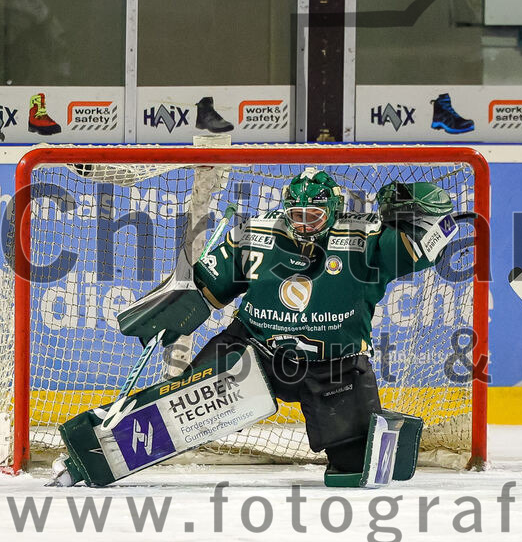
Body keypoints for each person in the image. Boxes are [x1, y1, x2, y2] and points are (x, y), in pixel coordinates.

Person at [56, 168, 457, 487]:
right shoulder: (255, 235)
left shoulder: (366, 239)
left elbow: (426, 243)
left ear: (333, 212)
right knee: (180, 407)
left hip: (335, 366)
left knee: (354, 468)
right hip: (254, 349)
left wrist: (416, 211)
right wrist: (174, 311)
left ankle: (361, 436)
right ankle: (90, 456)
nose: (304, 225)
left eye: (314, 217)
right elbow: (206, 288)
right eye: (297, 216)